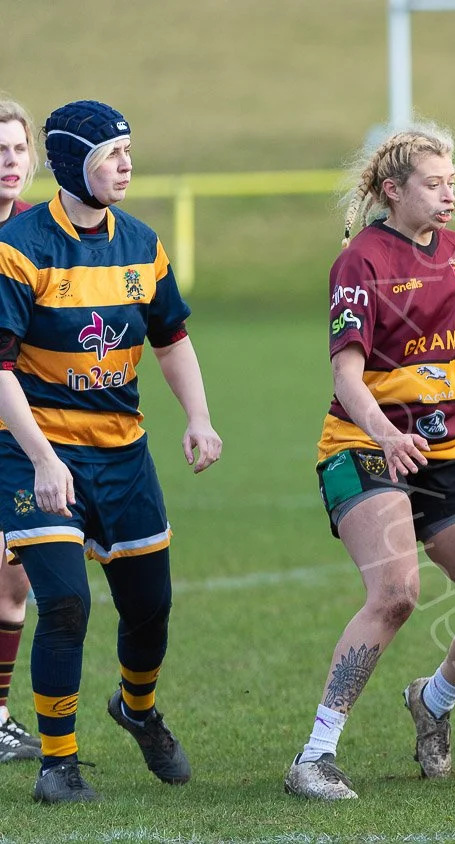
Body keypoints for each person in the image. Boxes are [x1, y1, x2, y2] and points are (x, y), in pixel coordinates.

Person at [283, 123, 455, 801]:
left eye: (453, 181)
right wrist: (386, 436)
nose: (448, 193)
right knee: (396, 594)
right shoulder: (360, 262)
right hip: (362, 448)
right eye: (433, 183)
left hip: (443, 451)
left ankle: (435, 700)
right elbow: (346, 376)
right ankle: (315, 755)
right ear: (393, 191)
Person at [0, 100, 222, 803]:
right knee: (63, 602)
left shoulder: (142, 243)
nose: (125, 164)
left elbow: (171, 338)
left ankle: (137, 707)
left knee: (149, 606)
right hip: (33, 451)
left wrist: (199, 417)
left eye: (128, 150)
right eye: (110, 154)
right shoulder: (20, 247)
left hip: (123, 455)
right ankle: (56, 765)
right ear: (72, 163)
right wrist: (41, 457)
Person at [0, 96, 41, 764]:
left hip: (22, 431)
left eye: (16, 150)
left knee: (15, 582)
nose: (8, 163)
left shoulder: (38, 236)